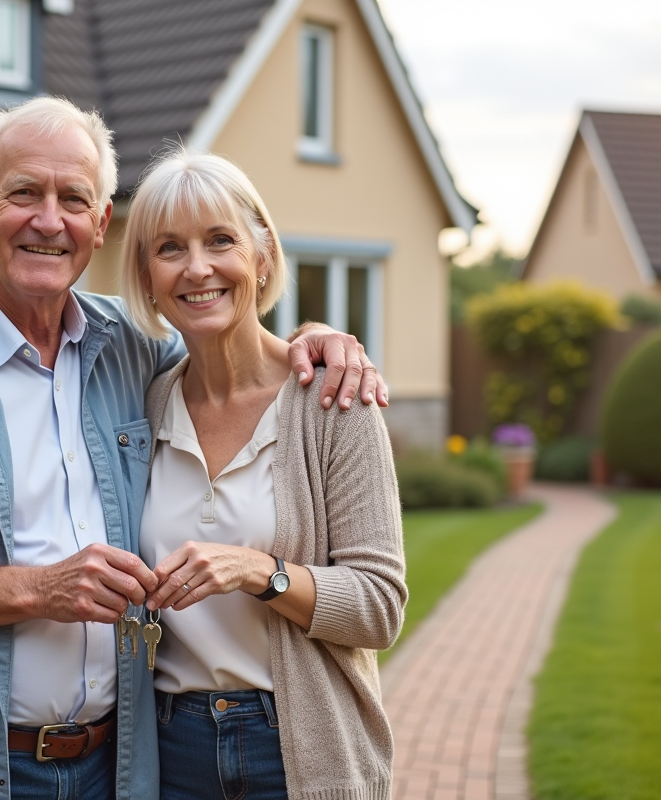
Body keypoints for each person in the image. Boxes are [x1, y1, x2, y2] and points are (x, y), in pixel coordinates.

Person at [0, 97, 385, 800]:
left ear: (100, 224)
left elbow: (228, 339)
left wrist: (318, 341)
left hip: (119, 768)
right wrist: (38, 588)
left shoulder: (130, 354)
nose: (49, 220)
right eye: (24, 193)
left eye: (73, 199)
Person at [119, 148, 407, 799]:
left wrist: (258, 571)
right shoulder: (144, 403)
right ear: (148, 276)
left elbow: (379, 607)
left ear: (263, 254)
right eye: (170, 248)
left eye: (220, 240)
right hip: (168, 749)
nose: (198, 268)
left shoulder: (334, 402)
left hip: (298, 742)